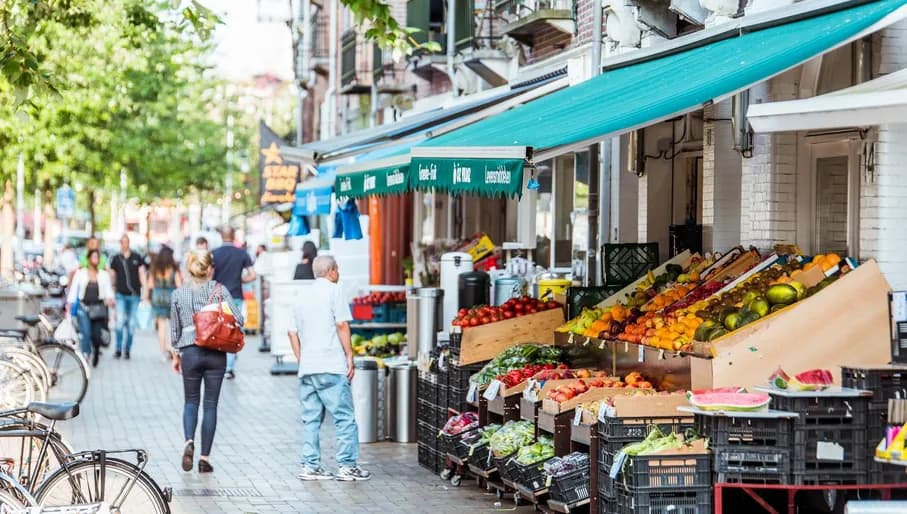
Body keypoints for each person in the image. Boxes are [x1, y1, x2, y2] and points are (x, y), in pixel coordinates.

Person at [288, 256, 371, 482]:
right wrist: (349, 355)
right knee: (344, 417)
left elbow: (292, 332)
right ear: (332, 271)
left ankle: (310, 465)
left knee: (311, 419)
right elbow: (342, 324)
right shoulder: (334, 291)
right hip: (330, 365)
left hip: (308, 367)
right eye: (337, 269)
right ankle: (347, 466)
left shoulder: (301, 296)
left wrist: (301, 359)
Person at [169, 249, 242, 474]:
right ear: (210, 268)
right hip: (215, 352)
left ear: (189, 268)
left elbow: (174, 330)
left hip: (189, 352)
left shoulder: (178, 294)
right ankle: (204, 458)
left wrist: (175, 354)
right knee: (210, 405)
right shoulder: (219, 290)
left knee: (191, 401)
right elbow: (239, 318)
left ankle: (188, 441)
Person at [211, 227, 256, 379]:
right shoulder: (242, 253)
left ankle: (221, 363)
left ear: (221, 236)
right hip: (236, 296)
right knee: (233, 330)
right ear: (234, 236)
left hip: (218, 297)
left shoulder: (214, 254)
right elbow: (253, 275)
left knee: (219, 329)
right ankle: (229, 366)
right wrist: (241, 279)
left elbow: (209, 276)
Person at [68, 249, 115, 367]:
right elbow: (73, 290)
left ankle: (96, 352)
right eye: (93, 257)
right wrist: (69, 305)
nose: (95, 259)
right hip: (83, 307)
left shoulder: (103, 275)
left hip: (99, 308)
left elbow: (109, 291)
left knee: (96, 335)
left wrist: (110, 299)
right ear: (88, 259)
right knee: (86, 332)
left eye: (97, 257)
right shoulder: (81, 273)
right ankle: (86, 354)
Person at [108, 234, 147, 360]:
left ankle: (127, 349)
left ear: (129, 243)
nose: (124, 244)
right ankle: (118, 348)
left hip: (134, 295)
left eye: (126, 242)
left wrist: (145, 292)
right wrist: (111, 292)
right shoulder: (116, 258)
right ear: (120, 243)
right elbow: (112, 276)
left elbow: (142, 275)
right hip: (120, 295)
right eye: (122, 242)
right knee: (119, 322)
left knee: (131, 324)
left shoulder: (137, 257)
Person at [146, 245, 182, 361]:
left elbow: (150, 285)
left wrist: (147, 297)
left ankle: (163, 352)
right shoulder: (173, 268)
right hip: (171, 298)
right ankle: (173, 349)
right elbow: (179, 285)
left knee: (161, 327)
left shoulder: (155, 268)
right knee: (173, 326)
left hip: (157, 298)